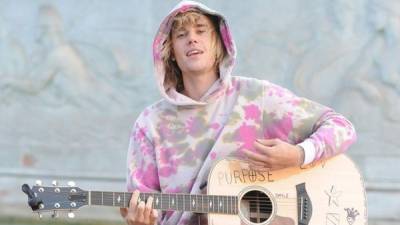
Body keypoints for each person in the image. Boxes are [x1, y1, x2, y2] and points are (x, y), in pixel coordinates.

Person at [119, 1, 357, 224]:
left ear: (219, 43)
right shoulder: (150, 123)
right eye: (181, 35)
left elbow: (340, 126)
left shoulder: (256, 97)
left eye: (201, 31)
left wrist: (298, 155)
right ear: (170, 51)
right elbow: (143, 203)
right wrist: (141, 219)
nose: (191, 39)